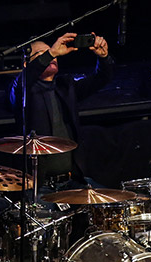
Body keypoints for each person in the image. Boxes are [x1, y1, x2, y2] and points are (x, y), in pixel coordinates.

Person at [8, 32, 113, 190]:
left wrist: (103, 58)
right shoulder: (23, 90)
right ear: (26, 64)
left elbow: (102, 79)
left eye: (52, 53)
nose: (52, 56)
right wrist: (51, 53)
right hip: (39, 186)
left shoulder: (66, 86)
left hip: (73, 181)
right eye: (42, 54)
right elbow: (23, 80)